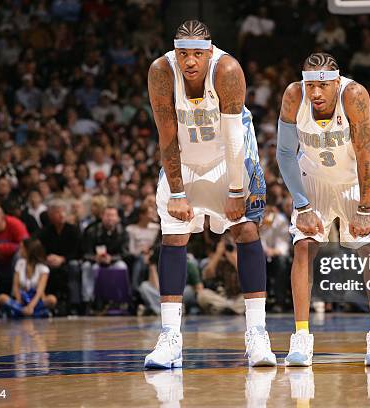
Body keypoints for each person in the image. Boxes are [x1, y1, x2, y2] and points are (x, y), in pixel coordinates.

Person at [144, 20, 275, 369]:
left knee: (246, 229)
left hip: (227, 158)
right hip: (185, 158)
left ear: (209, 52)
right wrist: (176, 192)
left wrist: (235, 191)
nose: (189, 61)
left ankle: (257, 333)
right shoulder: (161, 71)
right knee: (173, 236)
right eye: (183, 53)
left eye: (196, 54)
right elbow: (166, 135)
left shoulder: (227, 69)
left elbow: (234, 140)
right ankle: (170, 338)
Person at [277, 53, 370, 366]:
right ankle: (301, 337)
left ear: (336, 83)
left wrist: (365, 207)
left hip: (355, 176)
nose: (315, 92)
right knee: (303, 248)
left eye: (323, 85)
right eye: (310, 84)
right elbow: (285, 153)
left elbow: (367, 152)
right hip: (313, 178)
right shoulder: (293, 96)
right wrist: (302, 205)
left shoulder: (353, 96)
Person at [0, 238, 57, 317]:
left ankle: (22, 312)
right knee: (2, 298)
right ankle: (26, 311)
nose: (19, 250)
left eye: (22, 248)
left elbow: (39, 292)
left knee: (52, 299)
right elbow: (15, 287)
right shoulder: (20, 263)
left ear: (29, 251)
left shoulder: (43, 268)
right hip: (21, 300)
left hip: (36, 301)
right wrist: (19, 301)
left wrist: (30, 306)